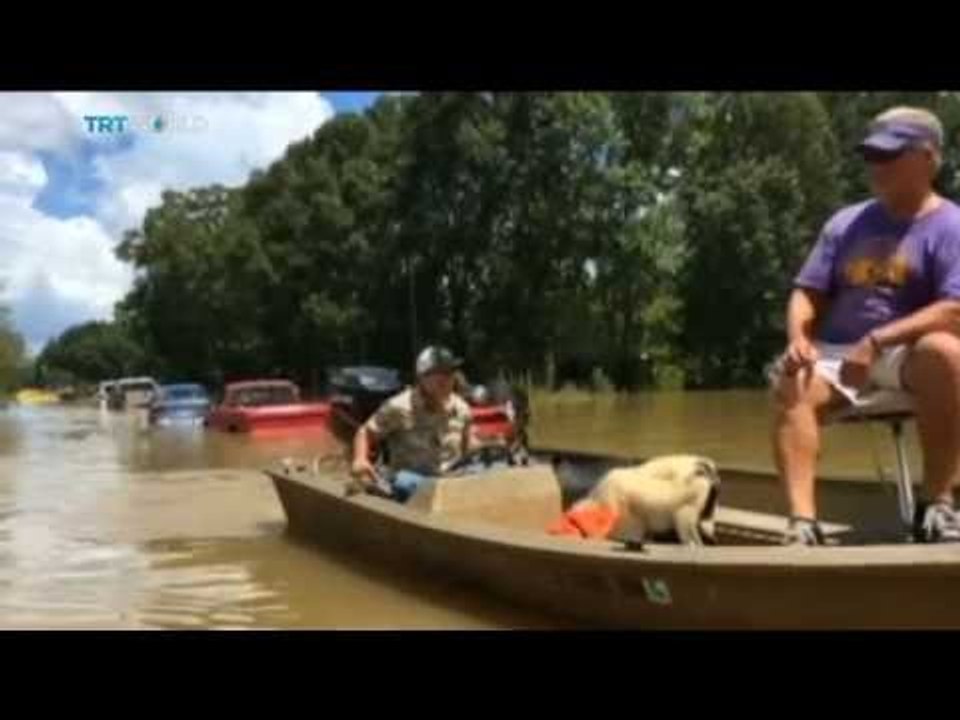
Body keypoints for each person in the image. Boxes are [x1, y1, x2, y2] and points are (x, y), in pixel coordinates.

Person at [770, 106, 960, 545]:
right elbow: (806, 292)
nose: (877, 167)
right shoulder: (844, 222)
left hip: (906, 352)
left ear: (929, 158)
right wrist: (798, 337)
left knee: (947, 352)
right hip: (837, 352)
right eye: (872, 155)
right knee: (791, 376)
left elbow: (954, 308)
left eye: (890, 155)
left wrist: (878, 340)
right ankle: (802, 524)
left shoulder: (950, 224)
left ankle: (938, 507)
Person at [350, 345, 475, 502]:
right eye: (438, 373)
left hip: (451, 484)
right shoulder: (399, 407)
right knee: (406, 482)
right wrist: (360, 459)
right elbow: (365, 433)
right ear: (422, 377)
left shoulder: (462, 409)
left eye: (449, 373)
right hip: (413, 486)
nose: (446, 379)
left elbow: (468, 449)